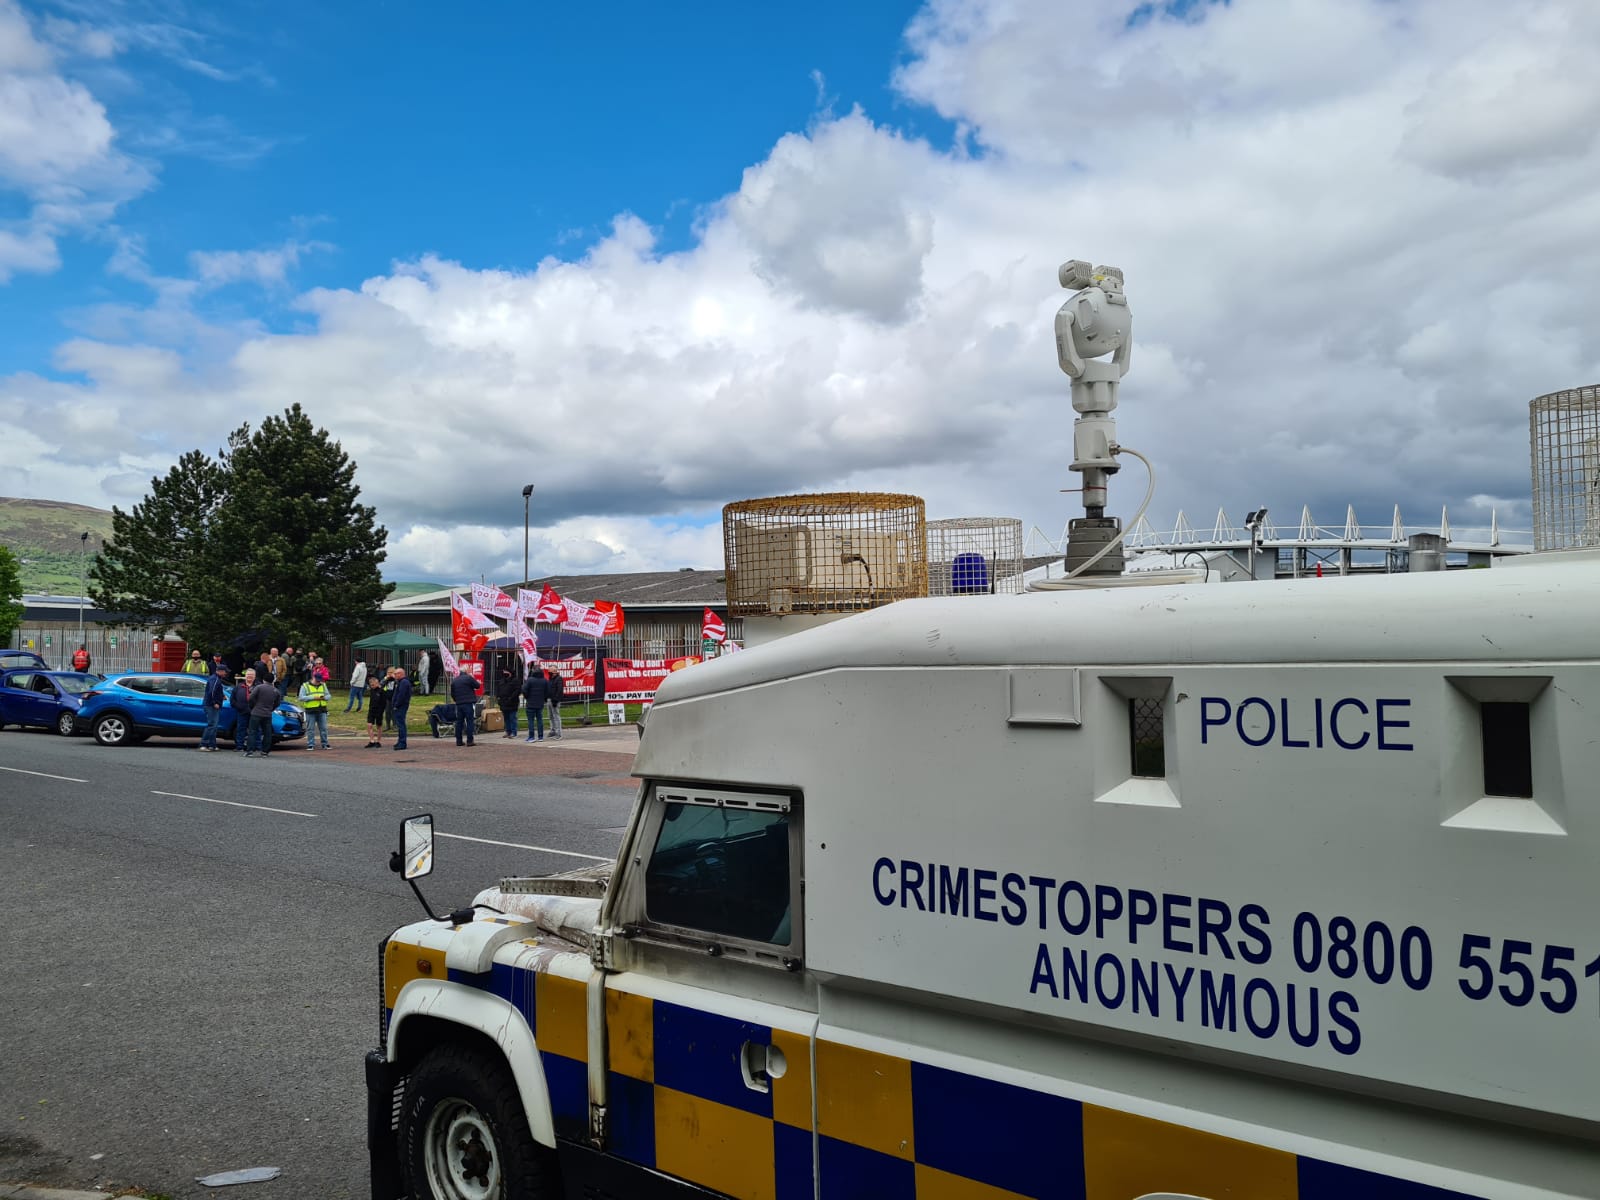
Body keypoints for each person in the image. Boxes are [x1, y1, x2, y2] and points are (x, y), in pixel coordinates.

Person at [246, 670, 279, 758]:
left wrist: (253, 707)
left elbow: (251, 698)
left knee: (252, 731)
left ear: (264, 680)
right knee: (267, 733)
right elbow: (277, 702)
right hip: (267, 714)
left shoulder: (259, 687)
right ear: (272, 681)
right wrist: (271, 709)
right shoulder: (275, 691)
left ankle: (250, 750)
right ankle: (265, 751)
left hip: (256, 712)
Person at [299, 671, 332, 750]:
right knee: (310, 728)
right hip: (311, 710)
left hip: (322, 709)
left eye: (320, 680)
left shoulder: (323, 685)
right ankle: (310, 744)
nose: (318, 682)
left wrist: (324, 697)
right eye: (317, 680)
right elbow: (301, 697)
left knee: (323, 728)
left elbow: (329, 696)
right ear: (313, 677)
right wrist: (313, 697)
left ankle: (325, 743)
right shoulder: (305, 686)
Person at [449, 667, 482, 746]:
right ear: (466, 671)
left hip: (459, 704)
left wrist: (457, 700)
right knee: (470, 721)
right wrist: (474, 678)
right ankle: (470, 740)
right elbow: (477, 686)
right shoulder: (468, 678)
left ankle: (459, 740)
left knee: (459, 722)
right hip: (468, 703)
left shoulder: (455, 680)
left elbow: (452, 694)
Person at [200, 663, 228, 751]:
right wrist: (214, 702)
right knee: (212, 724)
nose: (225, 674)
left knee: (214, 725)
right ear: (220, 671)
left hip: (210, 704)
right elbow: (211, 692)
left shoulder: (215, 679)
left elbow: (214, 691)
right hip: (211, 705)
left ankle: (212, 744)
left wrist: (222, 695)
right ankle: (204, 744)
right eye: (225, 672)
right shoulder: (215, 679)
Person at [521, 666, 549, 743]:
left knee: (531, 721)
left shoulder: (530, 680)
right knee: (540, 720)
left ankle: (531, 737)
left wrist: (527, 697)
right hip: (540, 703)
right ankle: (540, 737)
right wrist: (544, 699)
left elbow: (524, 689)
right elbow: (547, 692)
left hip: (530, 703)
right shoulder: (545, 681)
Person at [390, 666, 413, 751]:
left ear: (401, 674)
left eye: (396, 674)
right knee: (400, 724)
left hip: (401, 706)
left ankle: (402, 742)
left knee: (401, 724)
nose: (395, 675)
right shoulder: (401, 682)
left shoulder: (404, 682)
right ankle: (400, 741)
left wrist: (396, 705)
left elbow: (401, 695)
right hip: (400, 705)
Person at [495, 668, 522, 739]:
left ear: (510, 673)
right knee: (506, 718)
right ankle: (508, 731)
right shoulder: (502, 681)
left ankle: (514, 732)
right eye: (503, 672)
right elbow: (498, 690)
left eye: (506, 672)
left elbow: (517, 691)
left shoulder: (515, 681)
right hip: (503, 702)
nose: (504, 673)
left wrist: (511, 698)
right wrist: (498, 697)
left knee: (512, 718)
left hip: (512, 702)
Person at [231, 669, 254, 752]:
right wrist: (238, 706)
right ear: (245, 676)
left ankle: (255, 748)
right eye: (248, 674)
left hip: (254, 713)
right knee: (240, 729)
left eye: (251, 675)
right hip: (241, 712)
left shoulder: (258, 687)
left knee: (255, 730)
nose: (249, 676)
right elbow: (232, 699)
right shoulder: (239, 687)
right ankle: (239, 746)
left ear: (254, 676)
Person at [365, 668, 388, 748]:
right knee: (369, 725)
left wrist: (381, 711)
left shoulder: (382, 691)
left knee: (379, 726)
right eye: (371, 685)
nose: (372, 686)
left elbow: (384, 703)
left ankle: (378, 741)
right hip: (371, 710)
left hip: (379, 711)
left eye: (373, 685)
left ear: (377, 683)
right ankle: (372, 740)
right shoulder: (372, 690)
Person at [546, 666, 565, 740]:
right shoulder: (551, 679)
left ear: (554, 672)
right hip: (549, 699)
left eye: (550, 671)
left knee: (556, 716)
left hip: (554, 701)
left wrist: (556, 700)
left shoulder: (558, 679)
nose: (549, 673)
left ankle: (559, 734)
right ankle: (553, 730)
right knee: (550, 716)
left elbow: (559, 691)